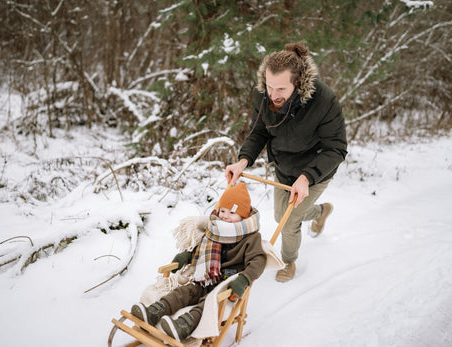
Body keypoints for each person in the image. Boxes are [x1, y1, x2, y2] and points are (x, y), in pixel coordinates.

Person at [225, 41, 347, 283]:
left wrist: (306, 178)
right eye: (269, 86)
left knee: (289, 222)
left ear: (298, 82)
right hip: (284, 167)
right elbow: (258, 131)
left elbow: (336, 148)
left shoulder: (324, 100)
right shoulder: (263, 95)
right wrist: (243, 161)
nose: (273, 95)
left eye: (280, 89)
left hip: (315, 171)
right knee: (281, 214)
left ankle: (288, 261)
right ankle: (322, 212)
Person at [131, 182, 266, 341]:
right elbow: (202, 249)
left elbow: (258, 260)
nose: (224, 215)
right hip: (205, 278)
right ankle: (155, 311)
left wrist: (245, 279)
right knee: (184, 292)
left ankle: (184, 325)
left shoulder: (250, 238)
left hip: (226, 286)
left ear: (243, 216)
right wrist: (187, 256)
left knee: (209, 303)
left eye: (232, 212)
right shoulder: (215, 229)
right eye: (222, 210)